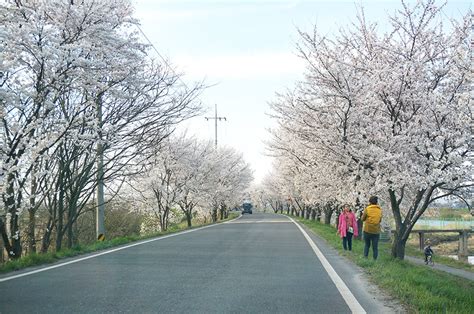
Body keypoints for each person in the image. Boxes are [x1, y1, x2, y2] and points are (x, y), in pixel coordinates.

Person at [362, 196, 382, 260]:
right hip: (376, 231)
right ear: (377, 202)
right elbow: (380, 220)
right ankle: (375, 260)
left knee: (367, 245)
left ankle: (365, 258)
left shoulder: (367, 209)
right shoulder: (380, 210)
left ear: (370, 202)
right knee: (375, 247)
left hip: (367, 230)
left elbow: (363, 218)